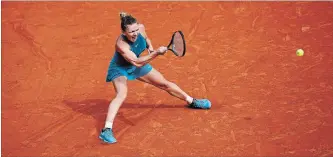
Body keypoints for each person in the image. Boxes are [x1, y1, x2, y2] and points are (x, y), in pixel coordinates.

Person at [99, 12, 211, 144]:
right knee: (121, 94)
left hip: (137, 64)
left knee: (164, 84)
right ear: (123, 32)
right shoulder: (121, 45)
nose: (135, 34)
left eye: (136, 30)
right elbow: (137, 62)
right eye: (131, 32)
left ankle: (192, 101)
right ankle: (106, 130)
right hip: (120, 68)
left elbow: (146, 39)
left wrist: (150, 47)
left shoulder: (141, 28)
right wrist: (157, 53)